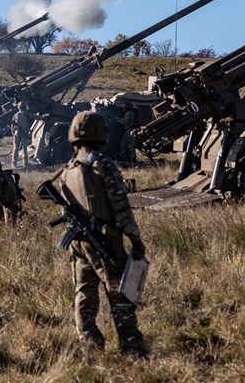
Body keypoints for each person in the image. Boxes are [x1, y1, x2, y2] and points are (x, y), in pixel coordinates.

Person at [55, 111, 147, 357]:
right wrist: (136, 241)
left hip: (78, 243)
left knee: (84, 295)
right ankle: (132, 347)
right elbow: (122, 210)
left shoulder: (66, 171)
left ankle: (90, 345)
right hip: (105, 242)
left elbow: (66, 210)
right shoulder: (103, 167)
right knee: (120, 296)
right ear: (101, 134)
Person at [11, 102, 32, 169]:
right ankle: (25, 163)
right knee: (24, 149)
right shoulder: (26, 114)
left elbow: (12, 126)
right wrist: (43, 117)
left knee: (15, 148)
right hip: (24, 134)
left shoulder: (15, 115)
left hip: (16, 133)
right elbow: (35, 117)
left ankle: (14, 164)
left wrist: (13, 133)